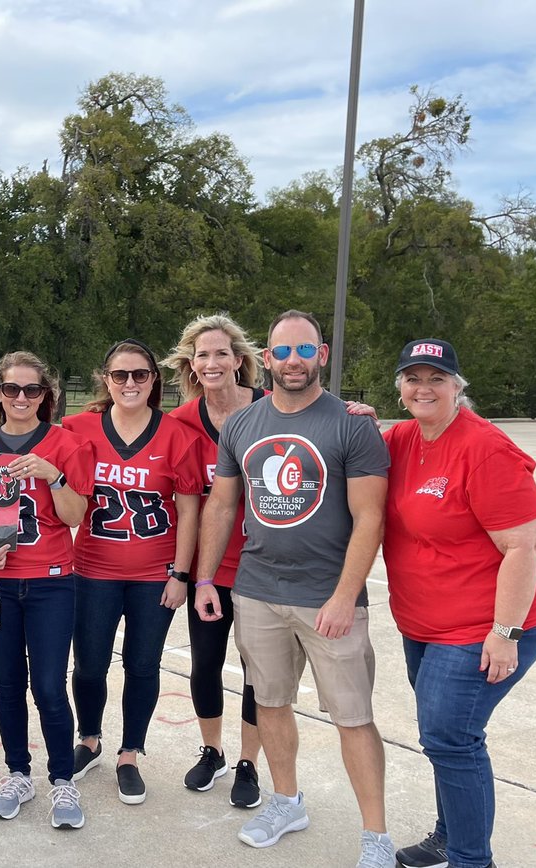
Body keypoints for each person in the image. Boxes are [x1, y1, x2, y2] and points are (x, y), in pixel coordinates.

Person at [194, 310, 395, 868]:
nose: (292, 362)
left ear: (322, 355)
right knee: (272, 703)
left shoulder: (352, 424)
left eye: (304, 351)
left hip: (329, 599)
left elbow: (370, 518)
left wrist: (344, 595)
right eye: (282, 352)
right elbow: (223, 504)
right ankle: (286, 802)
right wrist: (206, 578)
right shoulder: (241, 426)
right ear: (267, 359)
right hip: (256, 592)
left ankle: (375, 836)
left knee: (353, 718)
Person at [348, 340, 536, 868]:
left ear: (457, 387)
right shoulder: (401, 438)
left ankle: (470, 859)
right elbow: (360, 439)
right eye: (413, 378)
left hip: (489, 625)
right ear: (399, 386)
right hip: (423, 625)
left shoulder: (485, 448)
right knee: (445, 739)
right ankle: (448, 837)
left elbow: (523, 546)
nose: (424, 388)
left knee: (451, 736)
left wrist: (505, 633)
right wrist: (353, 417)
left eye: (436, 379)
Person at [62, 339, 200, 805]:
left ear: (153, 379)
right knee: (89, 664)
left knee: (142, 665)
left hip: (152, 574)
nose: (130, 383)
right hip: (92, 568)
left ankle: (130, 753)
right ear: (106, 379)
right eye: (120, 375)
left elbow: (190, 509)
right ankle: (90, 740)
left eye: (140, 374)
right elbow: (34, 452)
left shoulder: (177, 434)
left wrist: (181, 574)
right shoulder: (77, 428)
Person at [0, 351, 94, 829]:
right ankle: (18, 773)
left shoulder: (66, 444)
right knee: (7, 683)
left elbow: (76, 516)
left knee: (48, 687)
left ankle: (63, 779)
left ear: (46, 396)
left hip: (51, 582)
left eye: (32, 390)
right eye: (12, 389)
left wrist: (52, 475)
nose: (21, 398)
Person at [163, 313, 266, 808]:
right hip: (210, 572)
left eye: (221, 352)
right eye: (202, 354)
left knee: (257, 671)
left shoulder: (273, 409)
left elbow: (323, 420)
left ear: (239, 360)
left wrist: (355, 411)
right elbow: (101, 429)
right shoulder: (180, 423)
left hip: (265, 568)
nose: (211, 362)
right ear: (191, 364)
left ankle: (249, 760)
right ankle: (212, 750)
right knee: (205, 663)